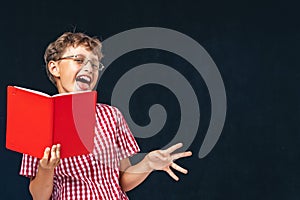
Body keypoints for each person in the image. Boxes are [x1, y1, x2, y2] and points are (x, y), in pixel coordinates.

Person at [19, 32, 192, 200]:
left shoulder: (111, 116)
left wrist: (147, 164)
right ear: (54, 67)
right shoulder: (38, 120)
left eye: (94, 65)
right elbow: (39, 196)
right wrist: (46, 168)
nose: (88, 68)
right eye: (79, 60)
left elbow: (122, 181)